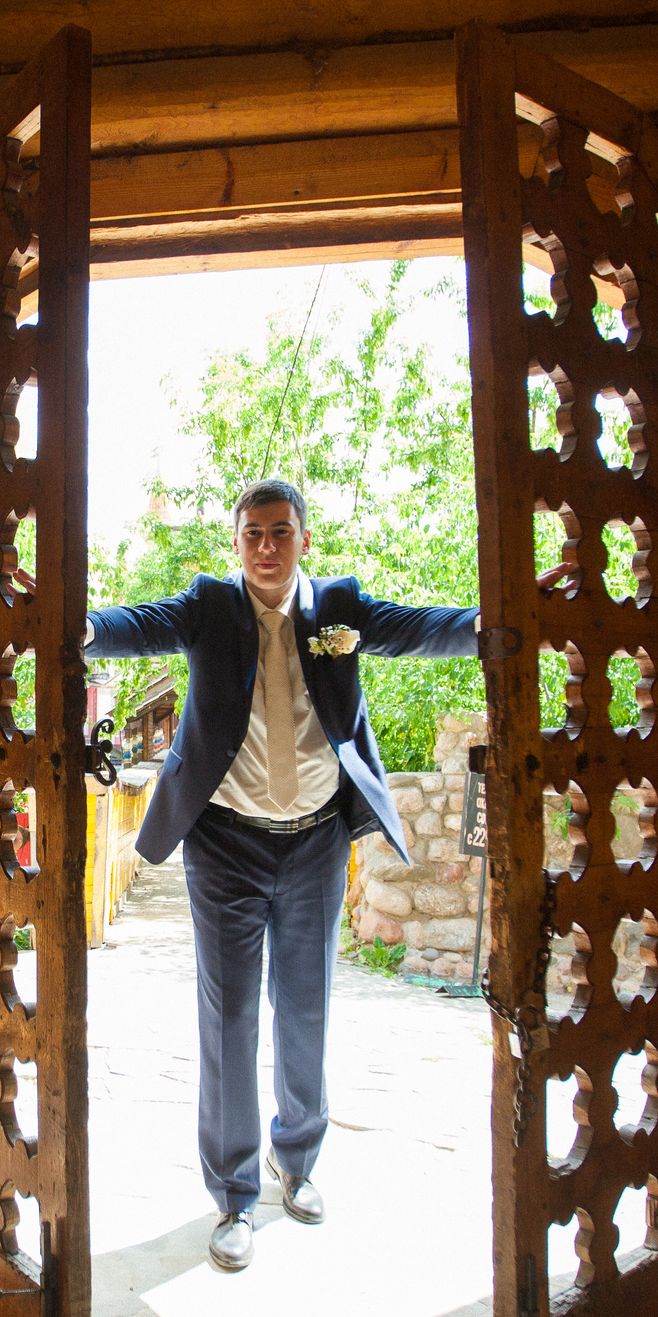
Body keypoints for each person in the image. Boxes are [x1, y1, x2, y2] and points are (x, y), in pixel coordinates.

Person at [85, 480, 479, 1272]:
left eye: (280, 532)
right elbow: (132, 625)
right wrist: (79, 627)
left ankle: (295, 1162)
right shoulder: (207, 607)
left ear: (303, 538)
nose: (266, 546)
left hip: (315, 846)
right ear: (237, 544)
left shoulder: (339, 608)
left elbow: (422, 628)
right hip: (224, 845)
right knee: (229, 1019)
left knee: (304, 1009)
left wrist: (493, 628)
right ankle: (233, 1197)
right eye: (253, 534)